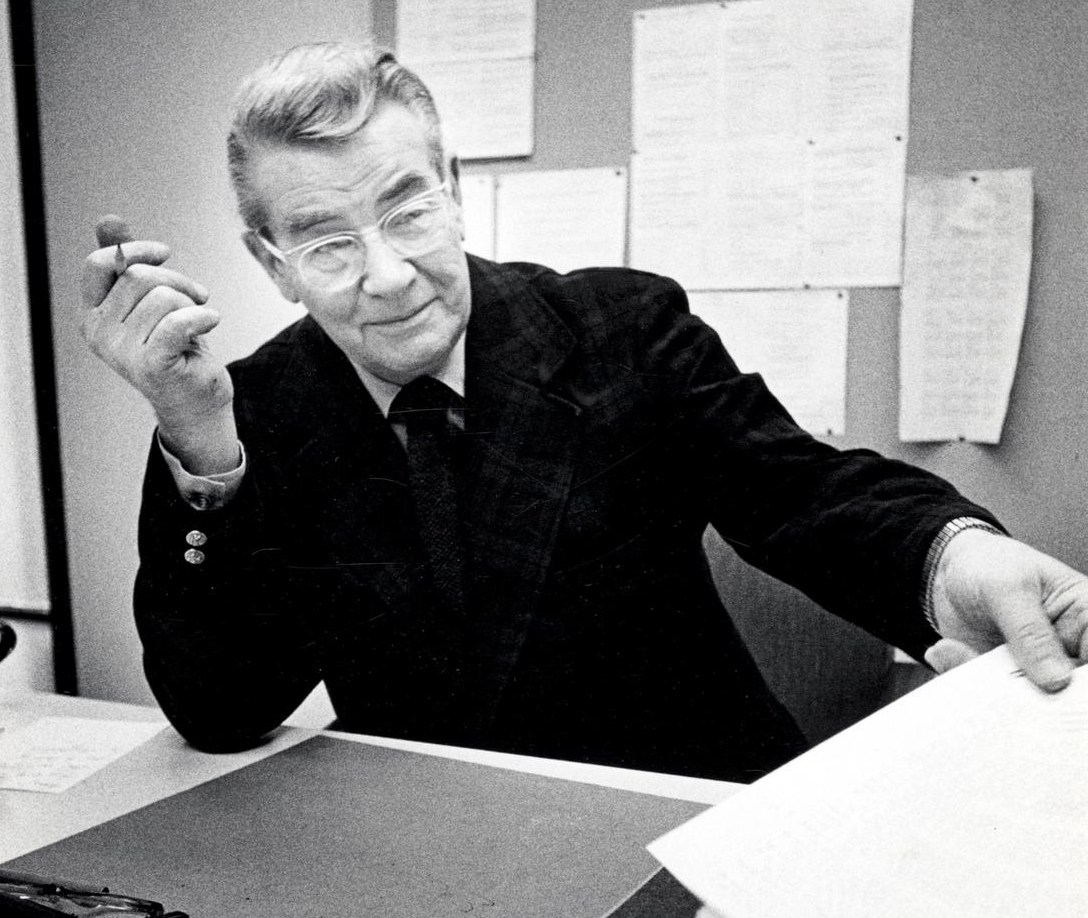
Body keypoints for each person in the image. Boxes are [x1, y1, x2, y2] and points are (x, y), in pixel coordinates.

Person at [80, 42, 1088, 781]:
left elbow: (803, 493)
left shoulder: (621, 331)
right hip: (430, 845)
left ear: (453, 190)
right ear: (273, 265)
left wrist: (951, 556)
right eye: (328, 242)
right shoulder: (251, 411)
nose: (386, 275)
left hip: (682, 810)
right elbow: (219, 711)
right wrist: (201, 448)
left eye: (407, 211)